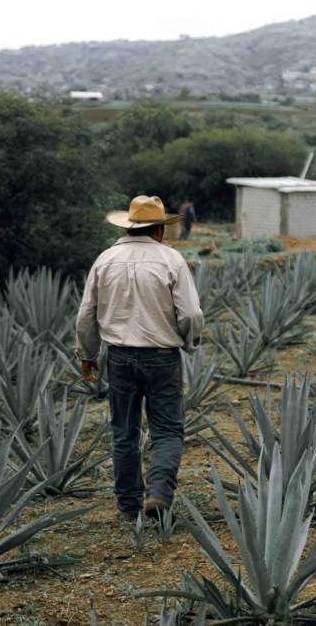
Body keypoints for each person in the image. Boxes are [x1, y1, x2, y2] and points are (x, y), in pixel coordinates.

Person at [75, 195, 204, 522]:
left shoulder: (105, 260)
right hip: (162, 357)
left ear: (130, 227)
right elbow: (190, 313)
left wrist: (88, 355)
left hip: (118, 358)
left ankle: (129, 506)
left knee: (124, 432)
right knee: (167, 432)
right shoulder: (172, 260)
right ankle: (159, 494)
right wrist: (189, 343)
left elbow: (86, 315)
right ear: (159, 229)